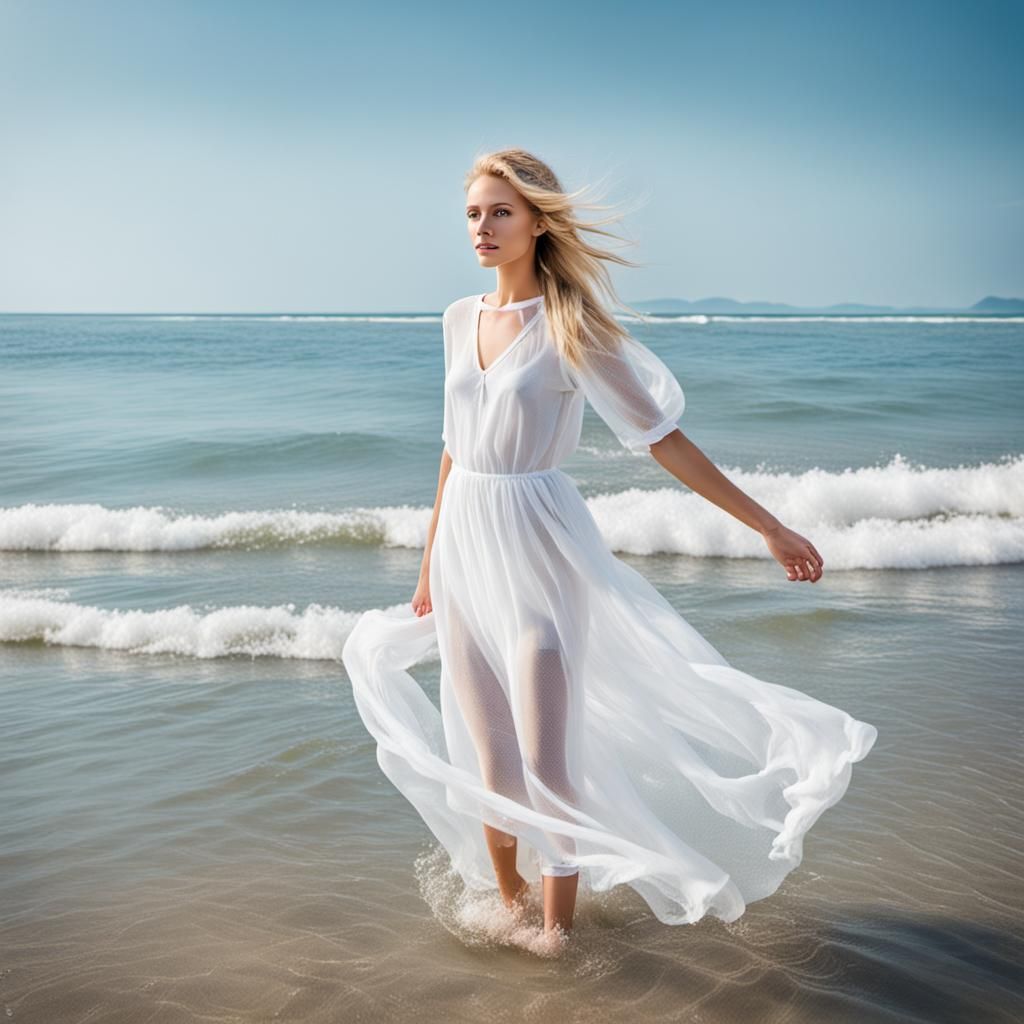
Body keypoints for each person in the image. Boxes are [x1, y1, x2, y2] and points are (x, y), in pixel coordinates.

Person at [342, 148, 877, 953]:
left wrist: (766, 524)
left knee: (547, 762)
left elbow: (661, 438)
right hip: (463, 553)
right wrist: (429, 564)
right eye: (474, 214)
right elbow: (453, 449)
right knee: (492, 763)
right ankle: (513, 905)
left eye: (500, 212)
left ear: (538, 221)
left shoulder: (570, 327)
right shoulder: (457, 318)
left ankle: (557, 938)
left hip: (540, 545)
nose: (483, 228)